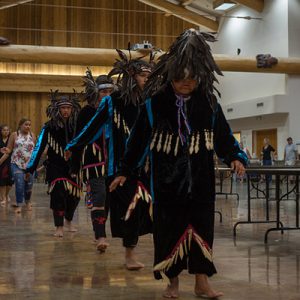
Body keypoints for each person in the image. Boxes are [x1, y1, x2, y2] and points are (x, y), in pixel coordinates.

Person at [110, 29, 247, 298]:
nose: (186, 83)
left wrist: (234, 157)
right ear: (171, 75)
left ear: (200, 76)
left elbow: (223, 137)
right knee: (168, 228)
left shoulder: (209, 103)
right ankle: (172, 282)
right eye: (180, 79)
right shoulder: (155, 104)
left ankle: (201, 282)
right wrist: (125, 170)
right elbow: (137, 141)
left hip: (201, 181)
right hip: (166, 182)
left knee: (202, 228)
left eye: (191, 79)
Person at [65, 50, 153, 269]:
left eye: (150, 76)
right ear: (131, 76)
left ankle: (135, 249)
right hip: (119, 167)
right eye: (143, 75)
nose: (147, 80)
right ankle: (128, 254)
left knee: (143, 209)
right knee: (129, 208)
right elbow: (91, 127)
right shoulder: (113, 102)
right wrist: (73, 145)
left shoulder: (152, 101)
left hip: (148, 166)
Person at [68, 71, 115, 252]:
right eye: (104, 92)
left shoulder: (115, 111)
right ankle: (101, 236)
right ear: (96, 92)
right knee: (100, 195)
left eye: (111, 92)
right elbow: (78, 138)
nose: (107, 95)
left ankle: (99, 232)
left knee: (108, 200)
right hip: (93, 160)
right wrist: (74, 165)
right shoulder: (87, 112)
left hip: (112, 161)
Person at [25, 91, 81, 237]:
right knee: (58, 193)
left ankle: (68, 219)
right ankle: (59, 226)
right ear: (57, 109)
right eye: (63, 108)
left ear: (72, 109)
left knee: (74, 197)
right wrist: (30, 168)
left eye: (68, 108)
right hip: (55, 166)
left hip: (74, 166)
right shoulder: (48, 127)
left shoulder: (78, 126)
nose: (66, 111)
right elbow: (38, 147)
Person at [5, 118, 35, 213]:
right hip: (16, 163)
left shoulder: (32, 135)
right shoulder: (15, 135)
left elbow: (35, 150)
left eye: (29, 125)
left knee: (29, 185)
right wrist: (6, 150)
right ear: (20, 125)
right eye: (26, 124)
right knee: (19, 184)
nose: (28, 126)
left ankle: (27, 202)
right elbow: (9, 148)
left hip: (29, 165)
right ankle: (19, 204)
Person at [0, 124, 13, 205]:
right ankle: (3, 198)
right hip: (1, 163)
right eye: (4, 130)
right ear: (1, 131)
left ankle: (7, 194)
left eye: (7, 130)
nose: (6, 132)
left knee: (10, 181)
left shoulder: (11, 139)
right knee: (2, 180)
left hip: (9, 161)